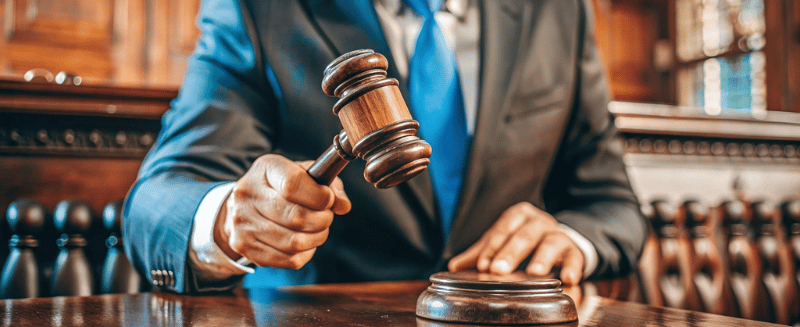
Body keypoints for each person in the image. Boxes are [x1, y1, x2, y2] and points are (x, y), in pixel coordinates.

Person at [123, 0, 648, 293]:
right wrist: (228, 220)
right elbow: (155, 204)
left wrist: (570, 239)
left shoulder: (557, 11)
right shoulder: (260, 9)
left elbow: (614, 207)